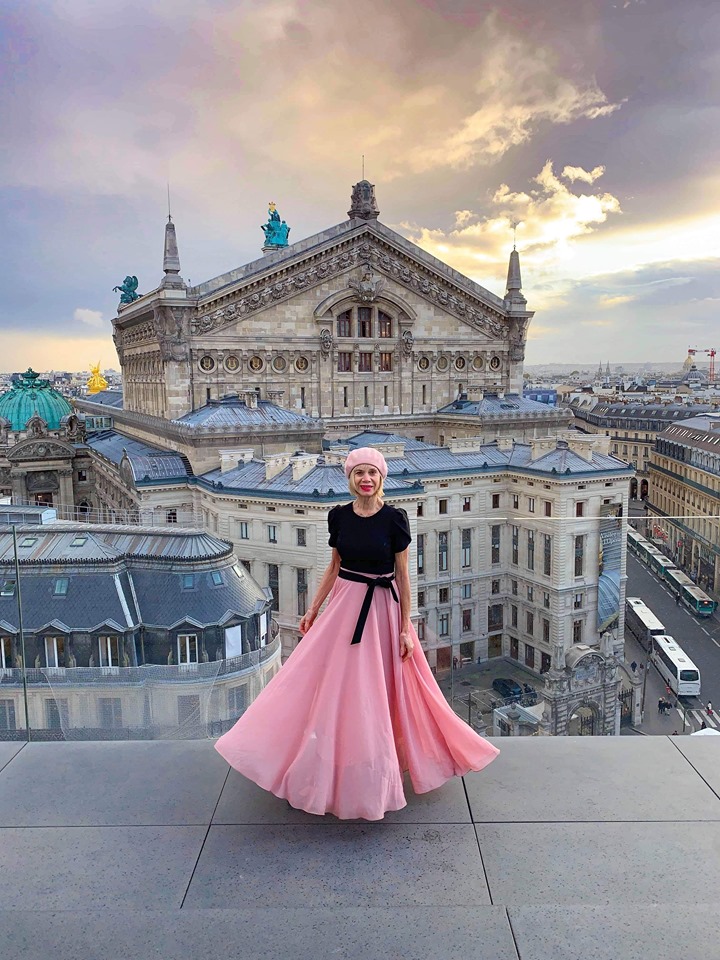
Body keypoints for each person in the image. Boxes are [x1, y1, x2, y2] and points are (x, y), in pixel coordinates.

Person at [214, 447, 499, 820]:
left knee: (383, 689)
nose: (366, 479)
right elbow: (334, 567)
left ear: (382, 478)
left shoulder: (395, 519)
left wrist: (405, 628)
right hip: (346, 606)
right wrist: (313, 609)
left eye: (372, 473)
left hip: (383, 610)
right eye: (358, 472)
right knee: (327, 683)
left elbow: (402, 575)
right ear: (349, 478)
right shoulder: (339, 516)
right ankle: (323, 764)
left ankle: (377, 772)